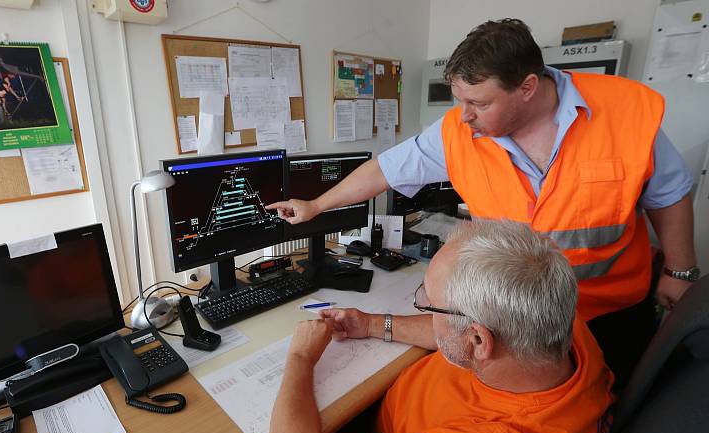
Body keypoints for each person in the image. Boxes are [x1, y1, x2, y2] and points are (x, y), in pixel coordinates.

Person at [267, 19, 698, 388]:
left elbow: (670, 194)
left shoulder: (624, 114)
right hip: (519, 317)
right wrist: (316, 205)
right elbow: (385, 170)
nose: (464, 115)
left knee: (609, 416)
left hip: (609, 310)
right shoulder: (459, 130)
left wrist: (679, 271)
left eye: (479, 102)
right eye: (460, 100)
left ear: (528, 87)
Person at [267, 220, 614, 433]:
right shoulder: (562, 329)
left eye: (430, 303)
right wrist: (372, 323)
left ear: (479, 339)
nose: (426, 311)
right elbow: (452, 334)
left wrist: (300, 356)